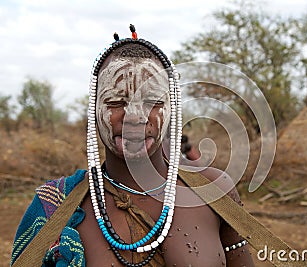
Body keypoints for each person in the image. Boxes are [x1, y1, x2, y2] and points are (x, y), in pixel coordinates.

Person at [11, 25, 254, 266]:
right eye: (116, 102)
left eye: (152, 101)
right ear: (94, 110)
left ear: (171, 109)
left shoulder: (214, 190)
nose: (135, 116)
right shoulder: (55, 208)